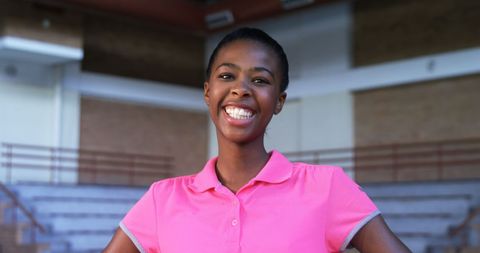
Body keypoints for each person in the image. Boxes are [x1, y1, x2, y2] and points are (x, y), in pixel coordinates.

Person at [103, 27, 411, 253]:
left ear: (279, 100)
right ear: (208, 92)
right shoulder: (162, 199)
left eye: (260, 80)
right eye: (227, 76)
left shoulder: (327, 187)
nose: (241, 89)